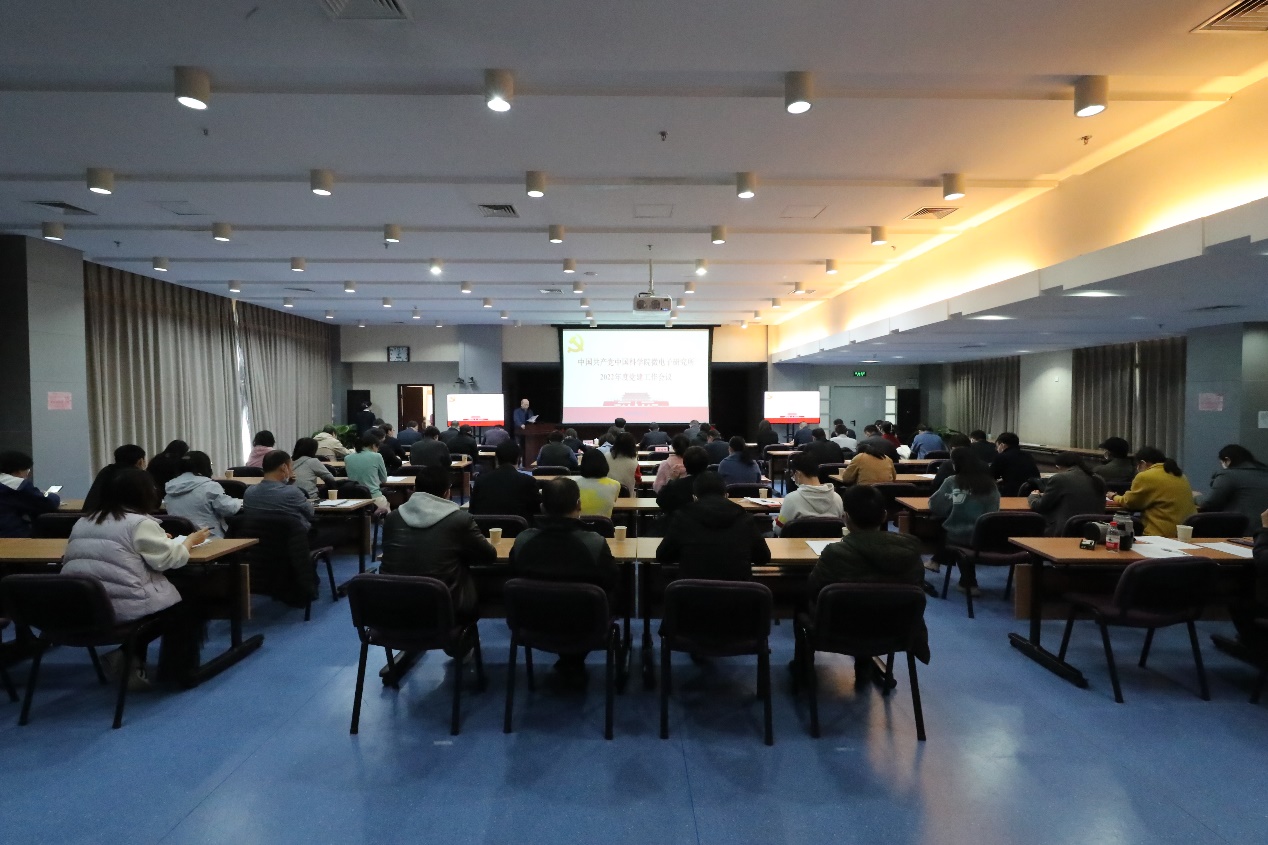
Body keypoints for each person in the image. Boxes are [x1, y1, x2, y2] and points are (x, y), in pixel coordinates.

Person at [63, 468, 211, 688]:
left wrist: (158, 539)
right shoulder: (139, 524)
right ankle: (176, 672)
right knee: (186, 603)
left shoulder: (84, 521)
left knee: (157, 599)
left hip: (84, 606)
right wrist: (190, 540)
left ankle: (129, 658)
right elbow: (170, 560)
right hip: (121, 607)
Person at [806, 485, 930, 683]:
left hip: (839, 631)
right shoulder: (911, 552)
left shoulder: (834, 554)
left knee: (801, 608)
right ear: (884, 516)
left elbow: (812, 590)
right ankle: (864, 665)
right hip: (897, 631)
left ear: (845, 517)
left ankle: (803, 669)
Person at [509, 477, 618, 683]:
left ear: (542, 507)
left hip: (532, 622)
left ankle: (569, 661)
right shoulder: (594, 543)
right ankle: (573, 660)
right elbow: (611, 580)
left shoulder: (523, 540)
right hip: (586, 624)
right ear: (579, 505)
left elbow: (513, 573)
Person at [380, 465, 496, 620]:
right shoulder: (460, 520)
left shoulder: (392, 518)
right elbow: (489, 555)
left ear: (414, 489)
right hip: (443, 609)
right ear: (447, 492)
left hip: (392, 608)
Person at [656, 471, 771, 579]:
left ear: (695, 498)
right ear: (726, 496)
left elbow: (663, 556)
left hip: (692, 591)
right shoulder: (745, 519)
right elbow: (763, 557)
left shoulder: (681, 519)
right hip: (737, 591)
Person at [928, 447, 1001, 594]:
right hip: (987, 537)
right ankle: (965, 581)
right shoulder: (991, 485)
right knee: (967, 535)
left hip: (959, 534)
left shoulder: (952, 481)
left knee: (946, 528)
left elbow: (936, 506)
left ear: (955, 465)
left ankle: (942, 565)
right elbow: (994, 512)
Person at [1110, 447, 1197, 537]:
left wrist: (1113, 496)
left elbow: (1129, 502)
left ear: (1142, 463)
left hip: (1160, 535)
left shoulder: (1145, 476)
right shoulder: (1180, 475)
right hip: (1185, 535)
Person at [163, 451, 242, 538]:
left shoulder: (170, 488)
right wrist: (239, 502)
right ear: (205, 466)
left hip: (181, 541)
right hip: (210, 538)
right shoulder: (210, 486)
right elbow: (228, 509)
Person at [1027, 451, 1107, 536]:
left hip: (1066, 530)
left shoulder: (1059, 478)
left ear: (1059, 466)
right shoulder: (1098, 479)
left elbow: (1040, 506)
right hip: (1096, 531)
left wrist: (1033, 496)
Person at [242, 450, 316, 531]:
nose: (292, 470)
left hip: (260, 536)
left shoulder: (249, 492)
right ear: (284, 467)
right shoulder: (293, 492)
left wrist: (288, 483)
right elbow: (310, 512)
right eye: (291, 466)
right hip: (294, 536)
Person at [469, 441, 541, 524]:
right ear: (519, 459)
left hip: (484, 529)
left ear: (496, 459)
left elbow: (472, 511)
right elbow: (537, 509)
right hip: (519, 529)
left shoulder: (480, 481)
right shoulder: (528, 481)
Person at [775, 451, 844, 534]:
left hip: (798, 542)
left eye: (792, 474)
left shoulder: (791, 499)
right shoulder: (837, 498)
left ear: (798, 473)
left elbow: (778, 529)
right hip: (829, 542)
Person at [1197, 445, 1268, 526]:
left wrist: (1197, 497)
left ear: (1227, 460)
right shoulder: (1264, 473)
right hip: (1264, 528)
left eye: (1222, 463)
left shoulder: (1228, 475)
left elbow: (1209, 504)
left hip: (1242, 528)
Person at [0, 451, 61, 537]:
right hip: (11, 534)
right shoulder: (17, 485)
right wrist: (53, 495)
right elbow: (48, 504)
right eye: (27, 470)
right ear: (18, 471)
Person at [83, 444, 147, 514]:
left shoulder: (106, 471)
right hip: (120, 516)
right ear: (140, 461)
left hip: (90, 516)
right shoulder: (136, 476)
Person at [655, 446, 711, 518]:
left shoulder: (676, 486)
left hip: (679, 522)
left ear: (684, 464)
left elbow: (661, 501)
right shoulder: (715, 483)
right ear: (707, 464)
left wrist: (671, 480)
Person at [345, 432, 389, 514]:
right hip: (374, 498)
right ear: (373, 445)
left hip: (354, 499)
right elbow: (384, 479)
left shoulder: (347, 458)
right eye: (377, 447)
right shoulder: (377, 456)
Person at [575, 449, 622, 518]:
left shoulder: (574, 484)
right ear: (605, 464)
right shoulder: (615, 485)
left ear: (583, 465)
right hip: (604, 524)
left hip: (579, 524)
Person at [990, 432, 1040, 497]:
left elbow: (990, 476)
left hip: (1012, 494)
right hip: (1032, 493)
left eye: (997, 446)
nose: (997, 449)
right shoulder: (1028, 455)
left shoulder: (1001, 457)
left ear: (1002, 445)